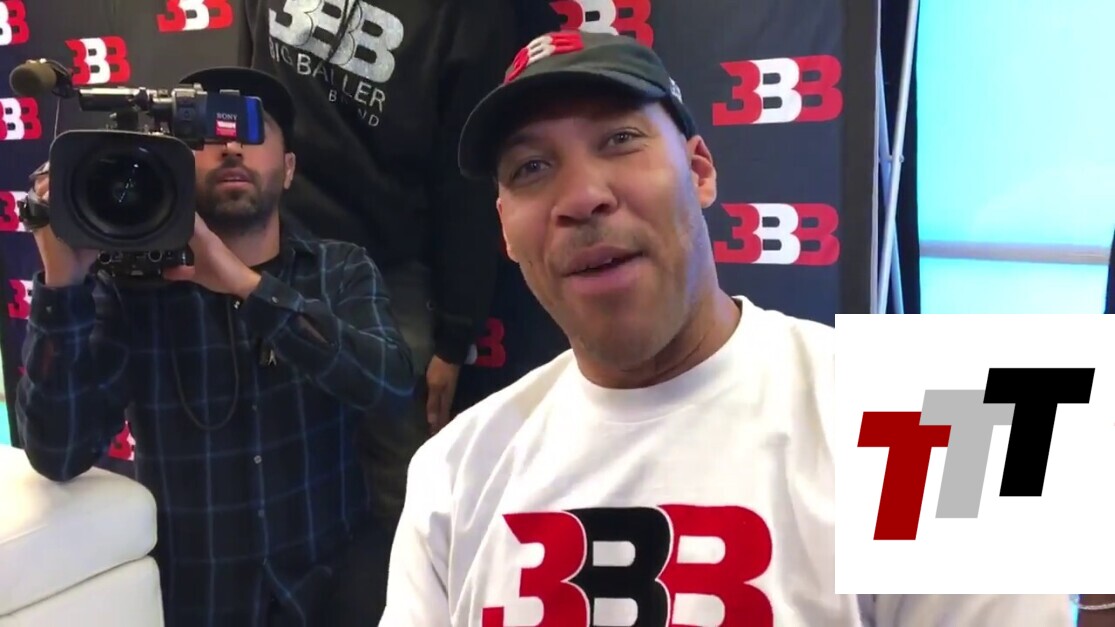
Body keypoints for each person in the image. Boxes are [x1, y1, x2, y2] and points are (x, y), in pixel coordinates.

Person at [378, 31, 1074, 625]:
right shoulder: (453, 473)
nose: (583, 196)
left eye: (619, 139)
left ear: (700, 170)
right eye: (532, 167)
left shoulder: (943, 411)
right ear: (505, 227)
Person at [15, 67, 415, 627]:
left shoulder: (339, 269)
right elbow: (57, 453)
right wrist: (63, 285)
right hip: (198, 598)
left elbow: (390, 385)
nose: (230, 145)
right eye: (206, 130)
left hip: (333, 588)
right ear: (178, 163)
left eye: (250, 129)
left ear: (288, 168)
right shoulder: (131, 289)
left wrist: (247, 288)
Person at [238, 0, 518, 534]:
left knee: (404, 486)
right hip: (272, 251)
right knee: (261, 462)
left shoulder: (470, 14)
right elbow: (249, 96)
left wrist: (455, 335)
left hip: (388, 272)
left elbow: (466, 180)